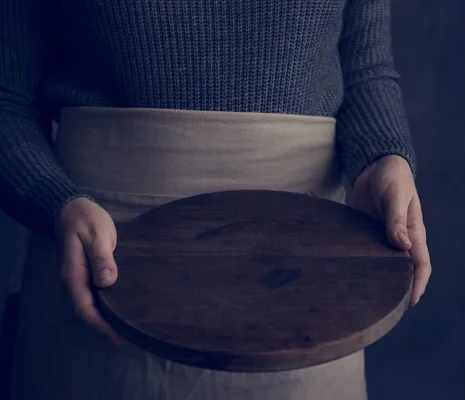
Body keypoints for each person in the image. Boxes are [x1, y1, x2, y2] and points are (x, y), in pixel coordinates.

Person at [0, 0, 432, 399]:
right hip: (99, 261)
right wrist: (55, 202)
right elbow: (7, 100)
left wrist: (382, 157)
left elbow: (363, 68)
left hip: (305, 283)